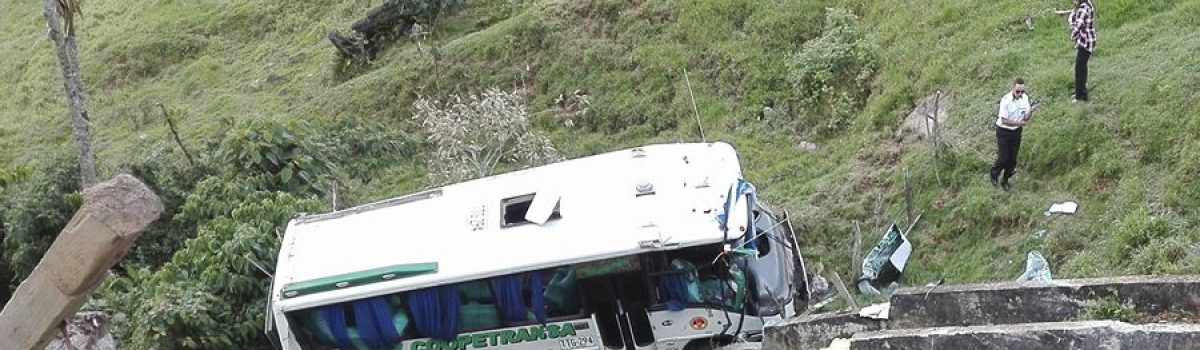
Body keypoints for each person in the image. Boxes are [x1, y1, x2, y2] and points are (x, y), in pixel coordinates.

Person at [991, 78, 1039, 192]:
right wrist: (1019, 122)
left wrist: (1031, 111)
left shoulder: (1025, 98)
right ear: (1013, 88)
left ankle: (1005, 180)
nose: (1020, 94)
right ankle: (994, 174)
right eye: (1018, 91)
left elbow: (1026, 117)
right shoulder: (1006, 100)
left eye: (1022, 91)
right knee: (1003, 157)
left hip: (1016, 131)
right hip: (1004, 131)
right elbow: (1004, 120)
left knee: (1012, 159)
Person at [1057, 0, 1096, 102]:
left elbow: (1077, 26)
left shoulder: (1083, 9)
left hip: (1086, 42)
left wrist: (1072, 34)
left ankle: (1080, 97)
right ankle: (1082, 92)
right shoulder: (1087, 4)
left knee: (1079, 69)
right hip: (1087, 41)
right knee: (1082, 68)